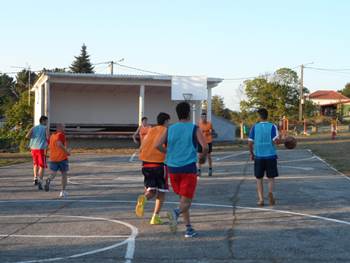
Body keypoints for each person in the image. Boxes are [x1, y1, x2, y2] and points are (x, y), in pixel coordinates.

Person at [156, 102, 208, 238]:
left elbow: (157, 145)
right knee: (186, 202)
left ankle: (188, 228)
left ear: (177, 114)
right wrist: (202, 158)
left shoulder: (170, 128)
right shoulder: (194, 128)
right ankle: (175, 213)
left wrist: (169, 152)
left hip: (173, 169)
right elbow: (205, 147)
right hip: (188, 168)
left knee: (183, 200)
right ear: (189, 113)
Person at [135, 112, 171, 225]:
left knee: (151, 190)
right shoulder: (165, 131)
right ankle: (155, 217)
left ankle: (144, 199)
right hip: (159, 164)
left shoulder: (150, 130)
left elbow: (141, 147)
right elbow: (164, 146)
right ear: (166, 121)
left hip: (145, 164)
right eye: (168, 121)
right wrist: (170, 153)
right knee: (161, 192)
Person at [248, 108, 280, 207]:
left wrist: (252, 153)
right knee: (271, 177)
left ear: (259, 117)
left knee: (259, 178)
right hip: (270, 155)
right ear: (267, 116)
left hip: (258, 156)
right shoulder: (273, 126)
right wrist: (284, 140)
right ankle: (270, 193)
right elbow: (276, 141)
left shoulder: (254, 127)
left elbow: (250, 142)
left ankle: (261, 199)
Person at [44, 123, 70, 198]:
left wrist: (46, 153)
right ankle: (63, 191)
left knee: (53, 173)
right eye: (63, 127)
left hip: (53, 158)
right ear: (59, 128)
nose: (64, 129)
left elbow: (47, 145)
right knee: (64, 174)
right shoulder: (60, 135)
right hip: (62, 158)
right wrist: (66, 151)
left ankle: (49, 179)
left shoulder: (52, 136)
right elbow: (59, 144)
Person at [26, 115, 49, 190]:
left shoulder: (34, 128)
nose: (47, 122)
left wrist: (34, 137)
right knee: (42, 165)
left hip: (33, 148)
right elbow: (47, 137)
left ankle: (35, 178)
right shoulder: (45, 128)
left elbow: (27, 136)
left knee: (35, 164)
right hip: (41, 148)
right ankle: (40, 181)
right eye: (46, 121)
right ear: (43, 121)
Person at [197, 111, 215, 177]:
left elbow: (213, 131)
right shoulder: (199, 124)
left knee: (209, 156)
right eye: (202, 117)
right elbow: (197, 132)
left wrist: (210, 132)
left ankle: (210, 169)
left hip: (208, 141)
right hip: (201, 142)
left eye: (205, 117)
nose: (204, 118)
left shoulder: (209, 124)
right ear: (201, 117)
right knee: (200, 156)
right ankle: (199, 170)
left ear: (206, 118)